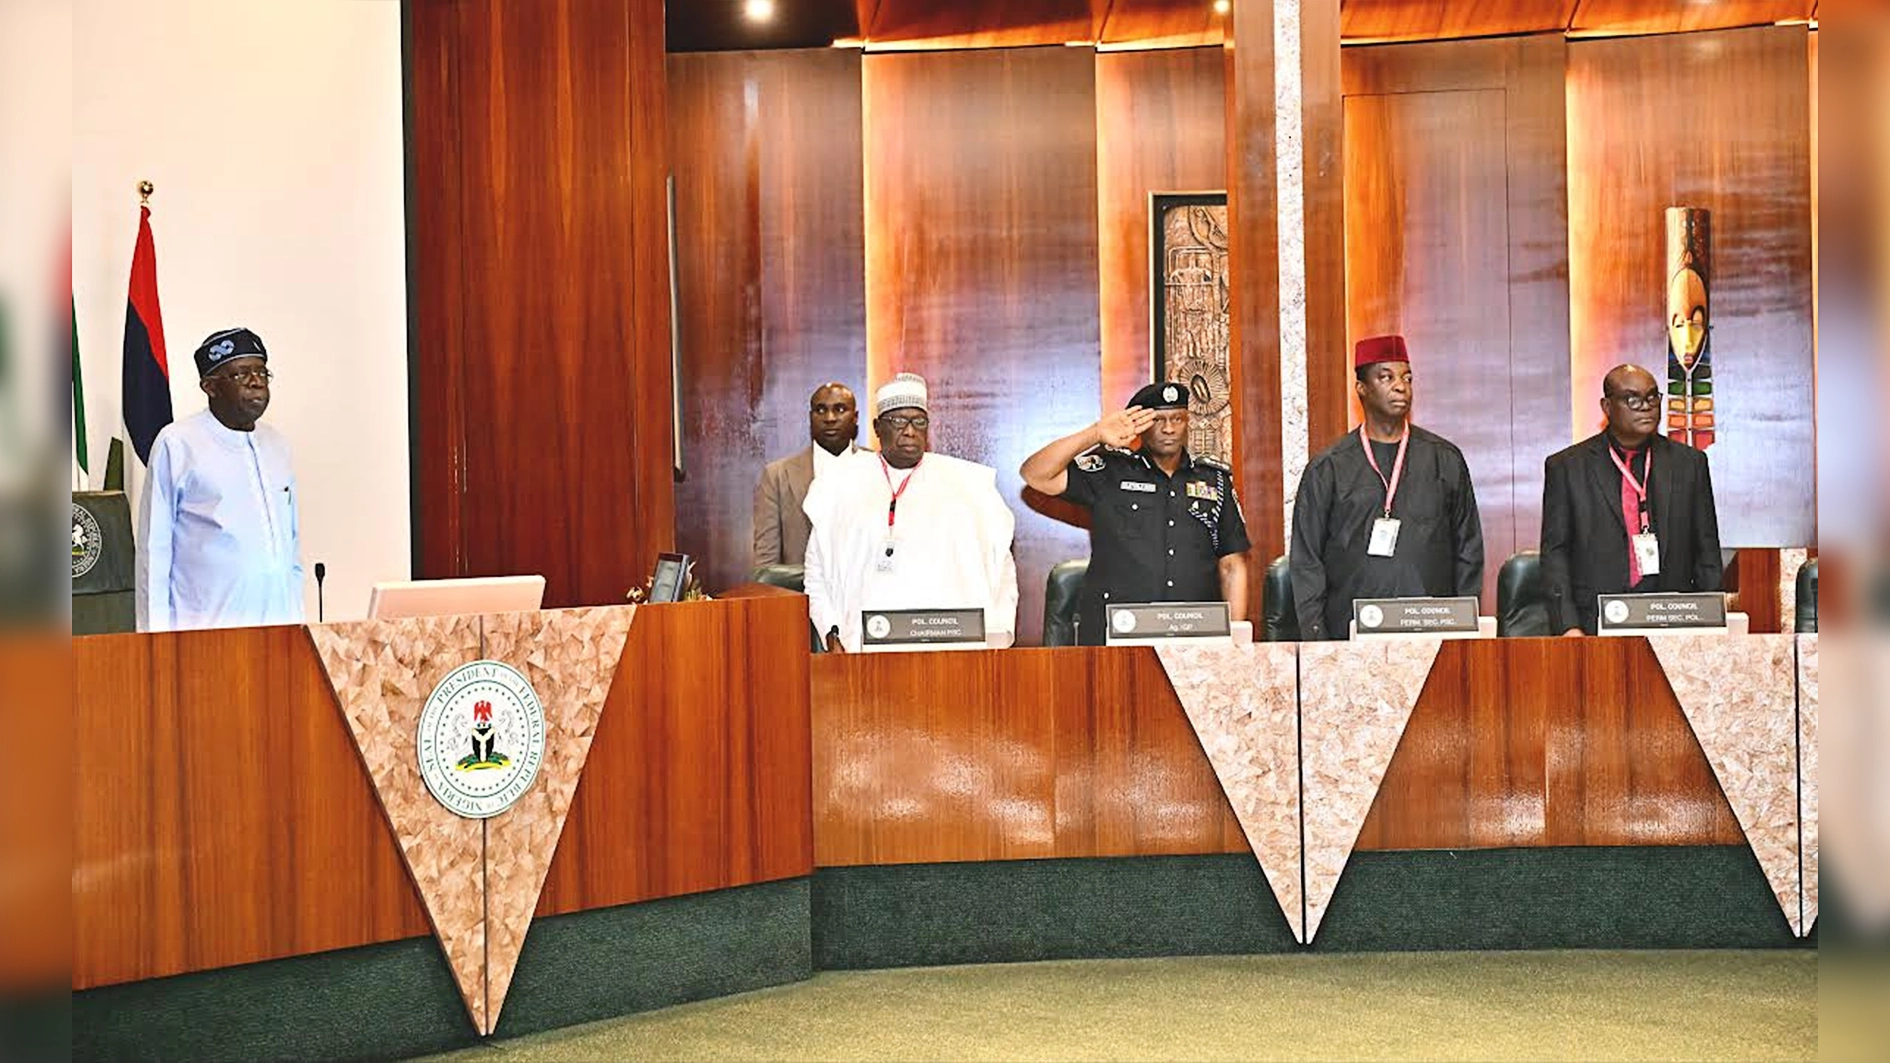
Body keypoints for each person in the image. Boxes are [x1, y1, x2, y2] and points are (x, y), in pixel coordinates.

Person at [1020, 382, 1250, 645]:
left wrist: (1235, 642)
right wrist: (1094, 434)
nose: (1169, 429)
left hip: (1195, 635)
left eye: (1178, 418)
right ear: (1139, 426)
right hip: (1117, 636)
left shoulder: (1215, 481)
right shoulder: (1110, 471)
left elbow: (1233, 566)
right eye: (1158, 420)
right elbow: (1035, 475)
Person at [802, 373, 1018, 652]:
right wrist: (832, 632)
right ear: (877, 427)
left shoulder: (968, 485)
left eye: (919, 422)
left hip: (951, 649)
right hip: (864, 649)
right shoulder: (837, 485)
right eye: (898, 421)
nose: (910, 431)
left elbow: (1002, 568)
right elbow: (817, 571)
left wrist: (998, 634)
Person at [1290, 334, 1484, 640]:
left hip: (1433, 633)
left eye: (1407, 377)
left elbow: (1468, 551)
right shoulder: (1328, 468)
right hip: (1350, 639)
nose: (1401, 386)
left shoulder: (1444, 459)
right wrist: (1319, 644)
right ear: (1361, 389)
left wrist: (1462, 630)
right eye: (1386, 377)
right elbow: (1306, 561)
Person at [135, 327, 303, 632]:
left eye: (262, 372)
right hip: (204, 634)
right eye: (241, 374)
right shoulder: (178, 444)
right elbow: (153, 552)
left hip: (279, 632)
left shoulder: (278, 445)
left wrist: (298, 625)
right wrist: (153, 642)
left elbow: (291, 549)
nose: (256, 381)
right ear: (210, 386)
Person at [1540, 363, 1724, 635]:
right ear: (1607, 407)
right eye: (1632, 399)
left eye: (1652, 397)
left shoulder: (1689, 464)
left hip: (1674, 621)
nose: (1646, 406)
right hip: (1594, 626)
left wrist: (1708, 623)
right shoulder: (1568, 467)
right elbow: (1556, 554)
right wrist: (1568, 626)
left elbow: (1706, 550)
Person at [752, 382, 859, 571]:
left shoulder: (877, 467)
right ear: (811, 417)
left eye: (840, 409)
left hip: (868, 596)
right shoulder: (778, 475)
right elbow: (767, 568)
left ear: (855, 417)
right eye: (820, 410)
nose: (830, 418)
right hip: (801, 596)